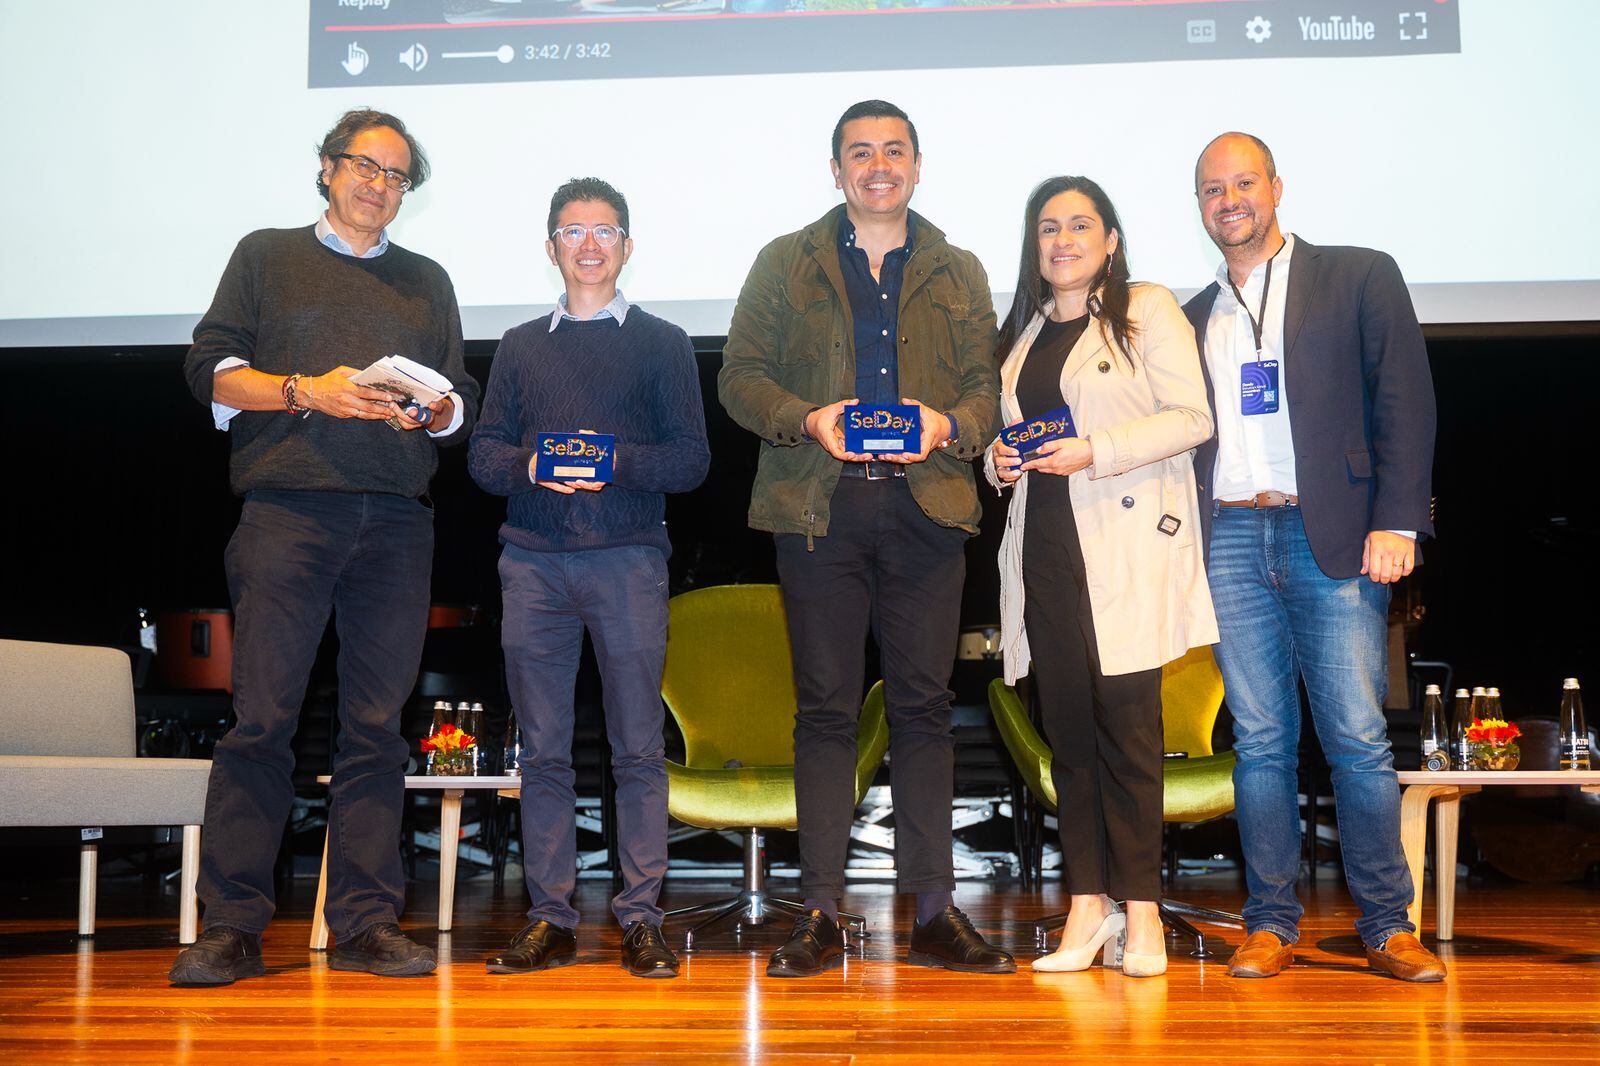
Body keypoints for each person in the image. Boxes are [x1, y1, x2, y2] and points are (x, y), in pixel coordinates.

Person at [170, 109, 479, 985]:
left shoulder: (428, 280)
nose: (379, 185)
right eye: (364, 167)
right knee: (262, 721)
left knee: (377, 729)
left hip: (396, 519)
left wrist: (437, 409)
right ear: (326, 169)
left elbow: (459, 398)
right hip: (287, 514)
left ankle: (365, 922)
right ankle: (232, 925)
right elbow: (210, 370)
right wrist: (311, 390)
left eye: (396, 175)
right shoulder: (265, 254)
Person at [718, 100, 1010, 977]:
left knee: (924, 710)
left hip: (927, 508)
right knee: (825, 713)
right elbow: (739, 379)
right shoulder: (785, 260)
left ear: (917, 166)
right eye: (859, 152)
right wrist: (806, 417)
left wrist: (947, 424)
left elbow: (985, 394)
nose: (877, 165)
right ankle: (819, 914)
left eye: (893, 151)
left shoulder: (958, 268)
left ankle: (932, 911)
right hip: (821, 509)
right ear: (836, 169)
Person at [1184, 132, 1444, 982]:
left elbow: (1405, 399)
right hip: (1227, 534)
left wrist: (1400, 520)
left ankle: (1386, 925)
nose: (1230, 199)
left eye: (1244, 182)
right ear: (1200, 206)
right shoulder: (1191, 317)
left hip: (1331, 531)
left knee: (1359, 739)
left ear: (1277, 187)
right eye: (1213, 188)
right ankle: (1269, 923)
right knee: (1258, 741)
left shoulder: (1359, 274)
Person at [468, 178, 710, 979]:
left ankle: (641, 918)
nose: (590, 243)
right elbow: (484, 455)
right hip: (532, 566)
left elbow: (690, 460)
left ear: (627, 247)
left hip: (628, 561)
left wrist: (610, 461)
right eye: (573, 230)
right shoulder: (518, 346)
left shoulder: (665, 342)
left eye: (606, 230)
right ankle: (550, 918)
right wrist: (536, 461)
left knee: (638, 750)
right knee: (543, 754)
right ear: (552, 248)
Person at [984, 177, 1216, 978]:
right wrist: (998, 461)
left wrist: (1098, 449)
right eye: (1047, 227)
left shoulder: (1147, 309)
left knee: (1131, 733)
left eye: (1081, 225)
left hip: (1124, 546)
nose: (1063, 240)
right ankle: (1089, 908)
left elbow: (1194, 418)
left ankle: (1142, 912)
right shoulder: (1023, 333)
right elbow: (1010, 438)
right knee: (1070, 739)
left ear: (1110, 239)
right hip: (1045, 548)